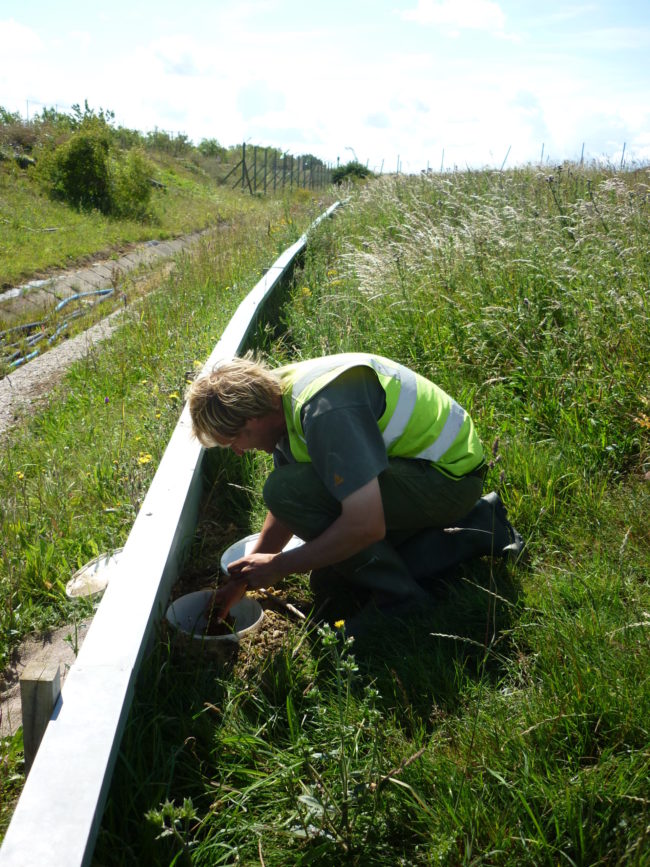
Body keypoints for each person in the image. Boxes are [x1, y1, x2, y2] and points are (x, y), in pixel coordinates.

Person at [187, 352, 522, 635]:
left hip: (449, 480)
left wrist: (280, 565)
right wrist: (243, 581)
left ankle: (401, 599)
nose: (239, 452)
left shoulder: (324, 411)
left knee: (298, 507)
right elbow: (290, 505)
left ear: (252, 419)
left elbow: (366, 525)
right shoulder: (275, 398)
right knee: (330, 581)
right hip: (425, 470)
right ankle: (478, 524)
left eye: (234, 441)